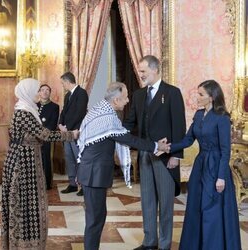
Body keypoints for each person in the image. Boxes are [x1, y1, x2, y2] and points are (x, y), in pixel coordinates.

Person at [75, 82, 169, 250]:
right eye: (125, 98)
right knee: (95, 219)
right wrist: (156, 146)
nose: (127, 102)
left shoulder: (99, 110)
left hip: (90, 171)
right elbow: (128, 139)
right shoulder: (108, 118)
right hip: (93, 174)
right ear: (117, 100)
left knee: (96, 217)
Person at [1, 78, 79, 250]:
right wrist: (71, 135)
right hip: (22, 164)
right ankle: (23, 244)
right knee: (25, 204)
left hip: (27, 161)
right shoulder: (24, 113)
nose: (39, 94)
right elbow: (45, 135)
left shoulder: (27, 110)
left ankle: (28, 243)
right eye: (37, 91)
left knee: (29, 204)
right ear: (28, 93)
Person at [164, 80, 241, 250]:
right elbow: (188, 140)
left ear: (212, 97)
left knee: (211, 210)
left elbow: (225, 151)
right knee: (196, 207)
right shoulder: (198, 115)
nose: (197, 97)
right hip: (200, 166)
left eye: (201, 94)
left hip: (216, 168)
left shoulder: (222, 118)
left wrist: (221, 177)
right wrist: (167, 147)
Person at [123, 55, 186, 250]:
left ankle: (165, 244)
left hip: (166, 156)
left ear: (155, 69)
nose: (140, 75)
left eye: (143, 71)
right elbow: (130, 123)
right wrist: (113, 131)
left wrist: (176, 155)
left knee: (166, 203)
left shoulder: (173, 93)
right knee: (148, 200)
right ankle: (149, 241)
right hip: (144, 154)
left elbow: (179, 126)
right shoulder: (139, 95)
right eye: (140, 71)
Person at [59, 71, 88, 196]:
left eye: (62, 83)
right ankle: (72, 184)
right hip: (67, 132)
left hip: (76, 132)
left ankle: (83, 185)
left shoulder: (82, 93)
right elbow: (64, 111)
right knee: (69, 158)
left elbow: (80, 113)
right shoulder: (67, 95)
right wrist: (60, 124)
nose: (62, 85)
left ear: (67, 81)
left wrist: (69, 128)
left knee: (79, 159)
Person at [37, 84, 59, 190]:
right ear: (39, 92)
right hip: (35, 137)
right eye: (42, 90)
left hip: (47, 137)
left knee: (46, 159)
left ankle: (47, 183)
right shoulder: (34, 106)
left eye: (47, 90)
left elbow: (53, 124)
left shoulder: (55, 106)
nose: (45, 92)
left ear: (50, 92)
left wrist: (43, 134)